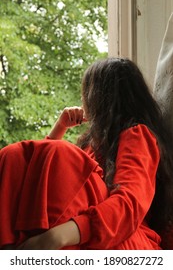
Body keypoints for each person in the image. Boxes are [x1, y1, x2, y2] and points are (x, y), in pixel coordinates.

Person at [1, 57, 173, 250]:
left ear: (97, 97)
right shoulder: (93, 144)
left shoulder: (137, 134)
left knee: (61, 153)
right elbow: (37, 172)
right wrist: (60, 127)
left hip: (127, 238)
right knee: (14, 155)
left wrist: (55, 237)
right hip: (96, 232)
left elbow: (129, 204)